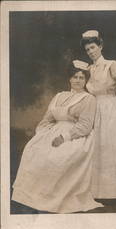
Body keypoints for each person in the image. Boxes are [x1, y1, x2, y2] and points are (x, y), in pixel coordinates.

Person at [12, 60, 103, 213]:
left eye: (82, 78)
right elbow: (47, 120)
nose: (78, 81)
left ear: (86, 80)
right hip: (53, 132)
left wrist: (64, 137)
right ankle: (31, 198)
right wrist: (42, 136)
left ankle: (50, 200)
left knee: (56, 158)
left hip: (75, 136)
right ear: (69, 78)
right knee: (33, 150)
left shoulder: (88, 99)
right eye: (75, 77)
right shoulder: (59, 96)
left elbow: (85, 126)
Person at [80, 30, 116, 203]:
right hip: (95, 108)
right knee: (98, 148)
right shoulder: (90, 68)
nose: (90, 52)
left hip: (111, 108)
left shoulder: (111, 65)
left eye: (93, 47)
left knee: (112, 147)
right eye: (87, 49)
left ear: (101, 46)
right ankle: (99, 193)